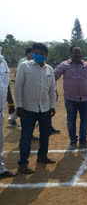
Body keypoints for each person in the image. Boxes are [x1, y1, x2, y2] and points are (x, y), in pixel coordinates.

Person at [15, 43, 57, 174]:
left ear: (46, 55)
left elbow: (52, 90)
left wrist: (52, 106)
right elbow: (18, 86)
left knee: (45, 134)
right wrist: (19, 105)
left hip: (44, 108)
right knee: (26, 137)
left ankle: (42, 156)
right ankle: (23, 163)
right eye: (36, 53)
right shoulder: (24, 66)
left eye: (41, 54)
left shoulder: (49, 69)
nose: (38, 55)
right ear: (32, 53)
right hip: (28, 108)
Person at [54, 46, 87, 150]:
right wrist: (53, 89)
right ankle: (73, 142)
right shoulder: (64, 65)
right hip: (70, 99)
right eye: (75, 53)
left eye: (79, 52)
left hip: (86, 99)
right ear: (70, 54)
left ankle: (83, 141)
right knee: (71, 121)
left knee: (85, 121)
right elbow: (53, 76)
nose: (77, 54)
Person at [0, 44, 17, 178]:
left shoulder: (3, 62)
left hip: (1, 109)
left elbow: (6, 84)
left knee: (0, 139)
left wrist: (10, 102)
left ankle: (0, 168)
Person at [7, 48, 32, 128]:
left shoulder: (32, 61)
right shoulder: (23, 61)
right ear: (28, 53)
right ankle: (12, 119)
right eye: (32, 53)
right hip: (23, 86)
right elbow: (18, 73)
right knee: (22, 105)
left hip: (28, 86)